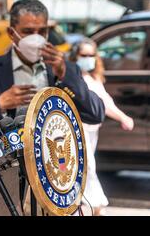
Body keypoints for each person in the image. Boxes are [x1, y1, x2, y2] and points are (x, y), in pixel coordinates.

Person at [0, 0, 106, 215]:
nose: (36, 38)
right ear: (11, 33)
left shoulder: (62, 69)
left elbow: (95, 113)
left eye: (42, 31)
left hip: (56, 180)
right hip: (6, 183)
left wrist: (65, 74)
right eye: (28, 31)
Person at [70, 38, 134, 216]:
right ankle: (97, 206)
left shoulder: (94, 77)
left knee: (86, 168)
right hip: (79, 130)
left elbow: (106, 103)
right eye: (84, 55)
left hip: (93, 130)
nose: (88, 58)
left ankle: (91, 207)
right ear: (75, 56)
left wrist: (122, 117)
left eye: (92, 55)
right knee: (87, 167)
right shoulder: (73, 78)